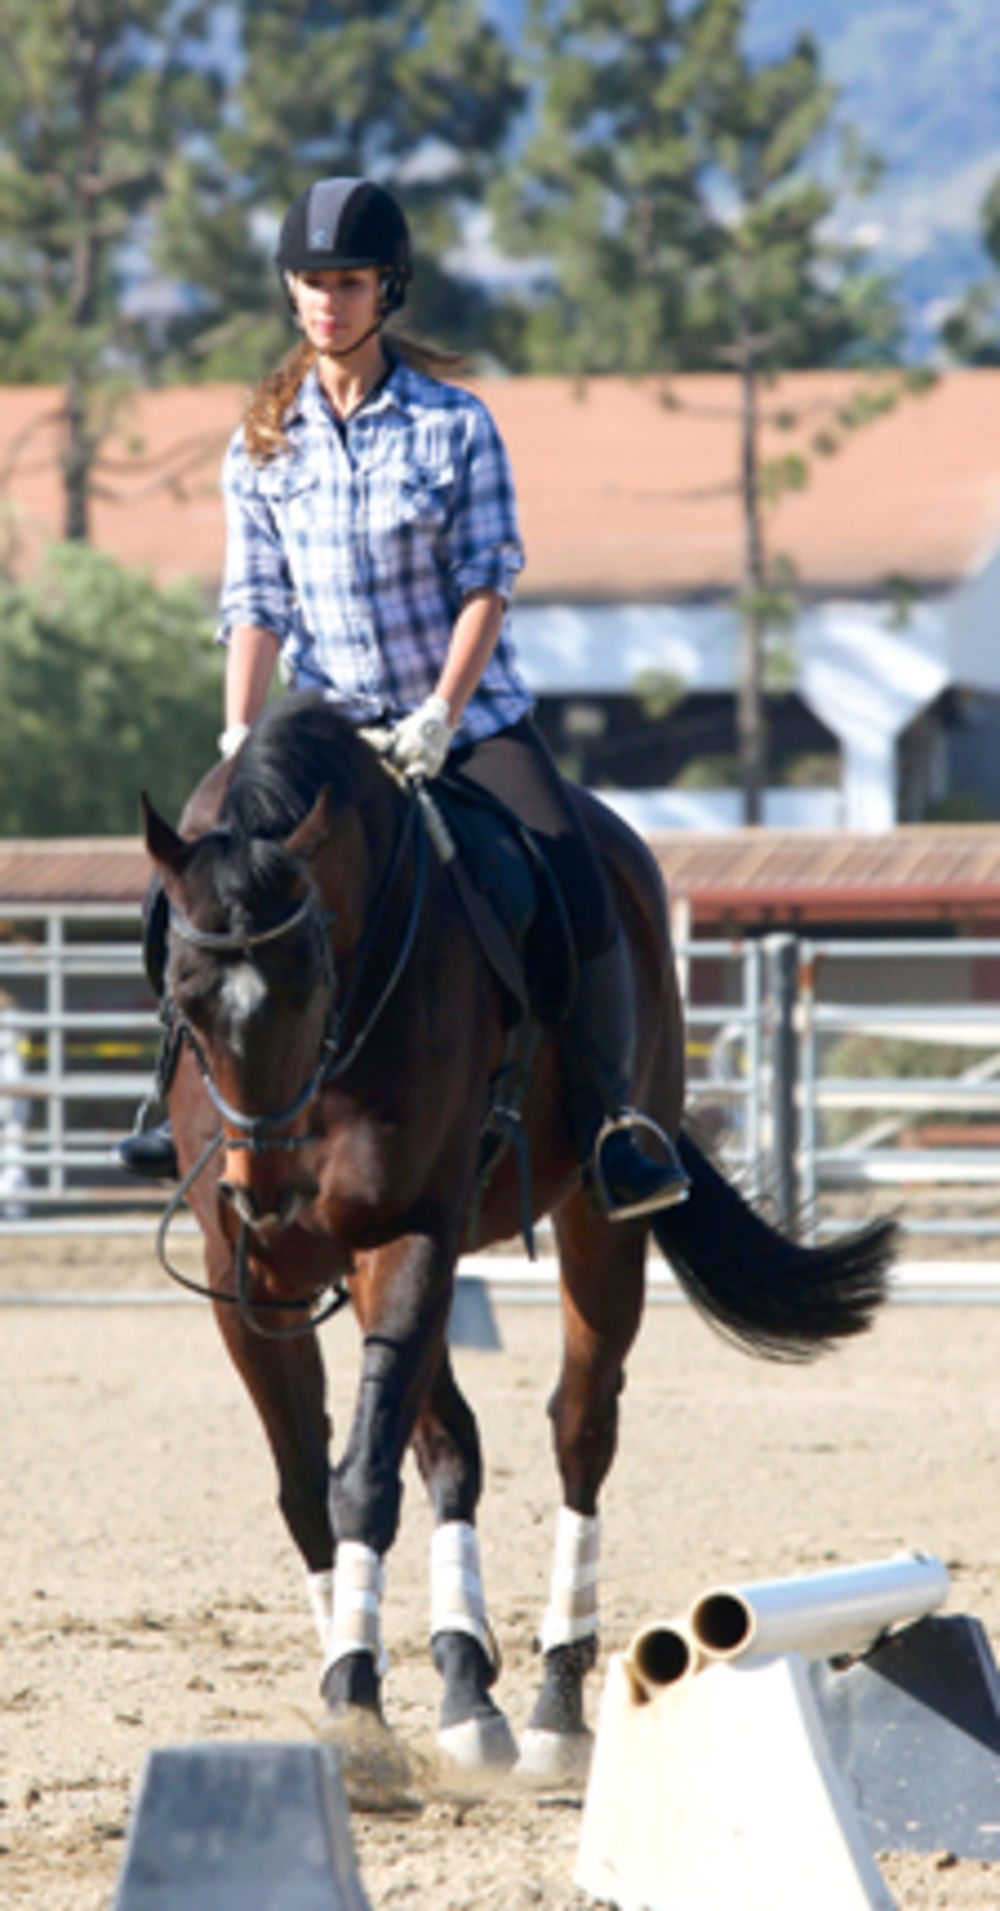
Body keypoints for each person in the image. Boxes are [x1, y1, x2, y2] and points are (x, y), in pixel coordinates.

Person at [117, 175, 688, 1220]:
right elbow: (254, 597)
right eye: (309, 282)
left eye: (346, 281)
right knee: (183, 876)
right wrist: (242, 726)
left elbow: (487, 581)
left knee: (570, 876)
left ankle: (614, 1124)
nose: (326, 300)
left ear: (389, 288)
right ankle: (174, 1099)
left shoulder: (455, 427)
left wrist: (437, 713)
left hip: (462, 728)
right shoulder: (264, 437)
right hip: (316, 732)